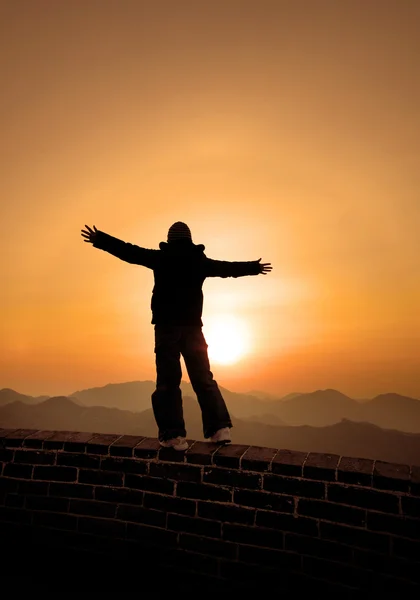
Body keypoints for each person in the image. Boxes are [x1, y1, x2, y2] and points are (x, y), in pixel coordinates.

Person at [81, 221, 272, 450]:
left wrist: (100, 239)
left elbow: (129, 251)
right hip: (193, 329)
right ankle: (220, 429)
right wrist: (253, 267)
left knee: (168, 382)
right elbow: (226, 268)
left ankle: (173, 436)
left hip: (166, 328)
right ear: (190, 240)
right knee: (203, 379)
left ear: (170, 240)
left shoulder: (161, 258)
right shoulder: (198, 261)